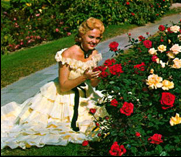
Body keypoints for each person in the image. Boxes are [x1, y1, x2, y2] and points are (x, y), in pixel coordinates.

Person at [1, 17, 108, 149]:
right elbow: (63, 86)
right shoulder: (67, 54)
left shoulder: (94, 53)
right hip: (63, 95)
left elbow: (93, 84)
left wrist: (95, 76)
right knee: (47, 127)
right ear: (81, 35)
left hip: (83, 94)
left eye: (97, 38)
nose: (94, 41)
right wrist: (83, 77)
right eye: (91, 37)